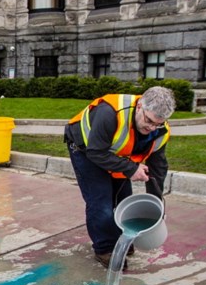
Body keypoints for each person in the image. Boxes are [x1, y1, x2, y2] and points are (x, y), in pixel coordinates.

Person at [64, 86, 176, 270]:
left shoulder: (160, 131)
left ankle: (120, 239)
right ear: (140, 106)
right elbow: (96, 152)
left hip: (115, 153)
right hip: (86, 149)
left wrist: (157, 201)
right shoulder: (110, 113)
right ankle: (104, 249)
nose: (151, 128)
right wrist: (130, 168)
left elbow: (158, 167)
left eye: (158, 123)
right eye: (148, 121)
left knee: (123, 200)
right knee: (101, 203)